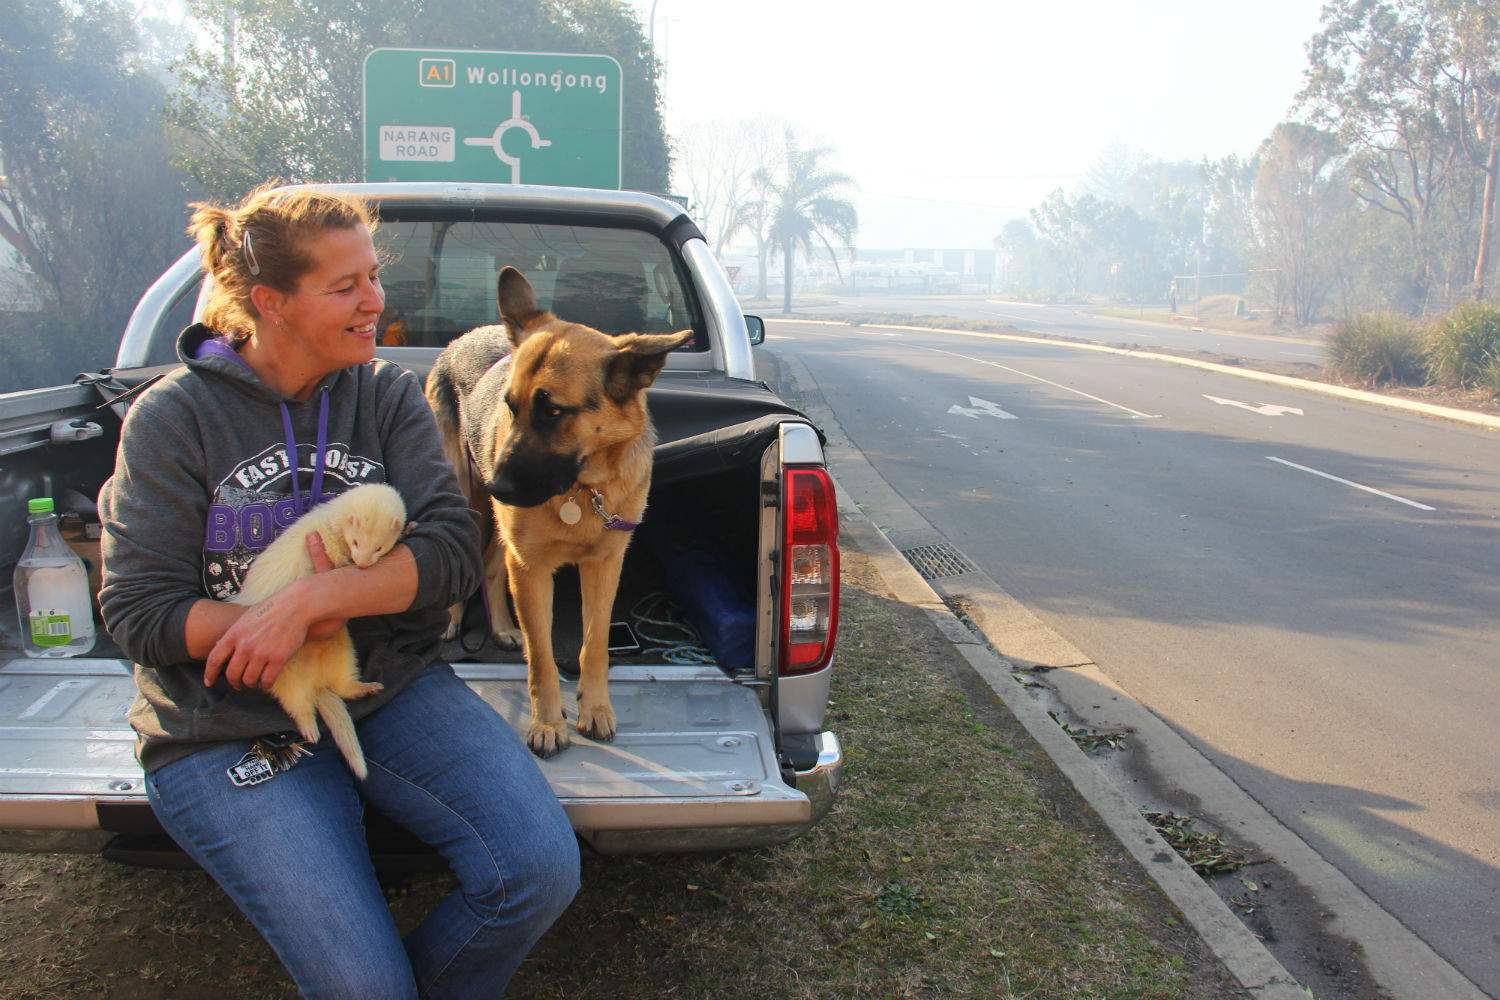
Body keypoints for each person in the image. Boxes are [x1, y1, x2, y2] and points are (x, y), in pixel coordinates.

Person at [97, 184, 579, 999]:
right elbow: (140, 613)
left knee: (536, 872)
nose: (375, 302)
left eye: (372, 276)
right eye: (346, 285)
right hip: (224, 724)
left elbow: (452, 549)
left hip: (387, 688)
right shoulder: (172, 420)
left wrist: (309, 603)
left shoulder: (384, 393)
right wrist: (270, 627)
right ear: (271, 303)